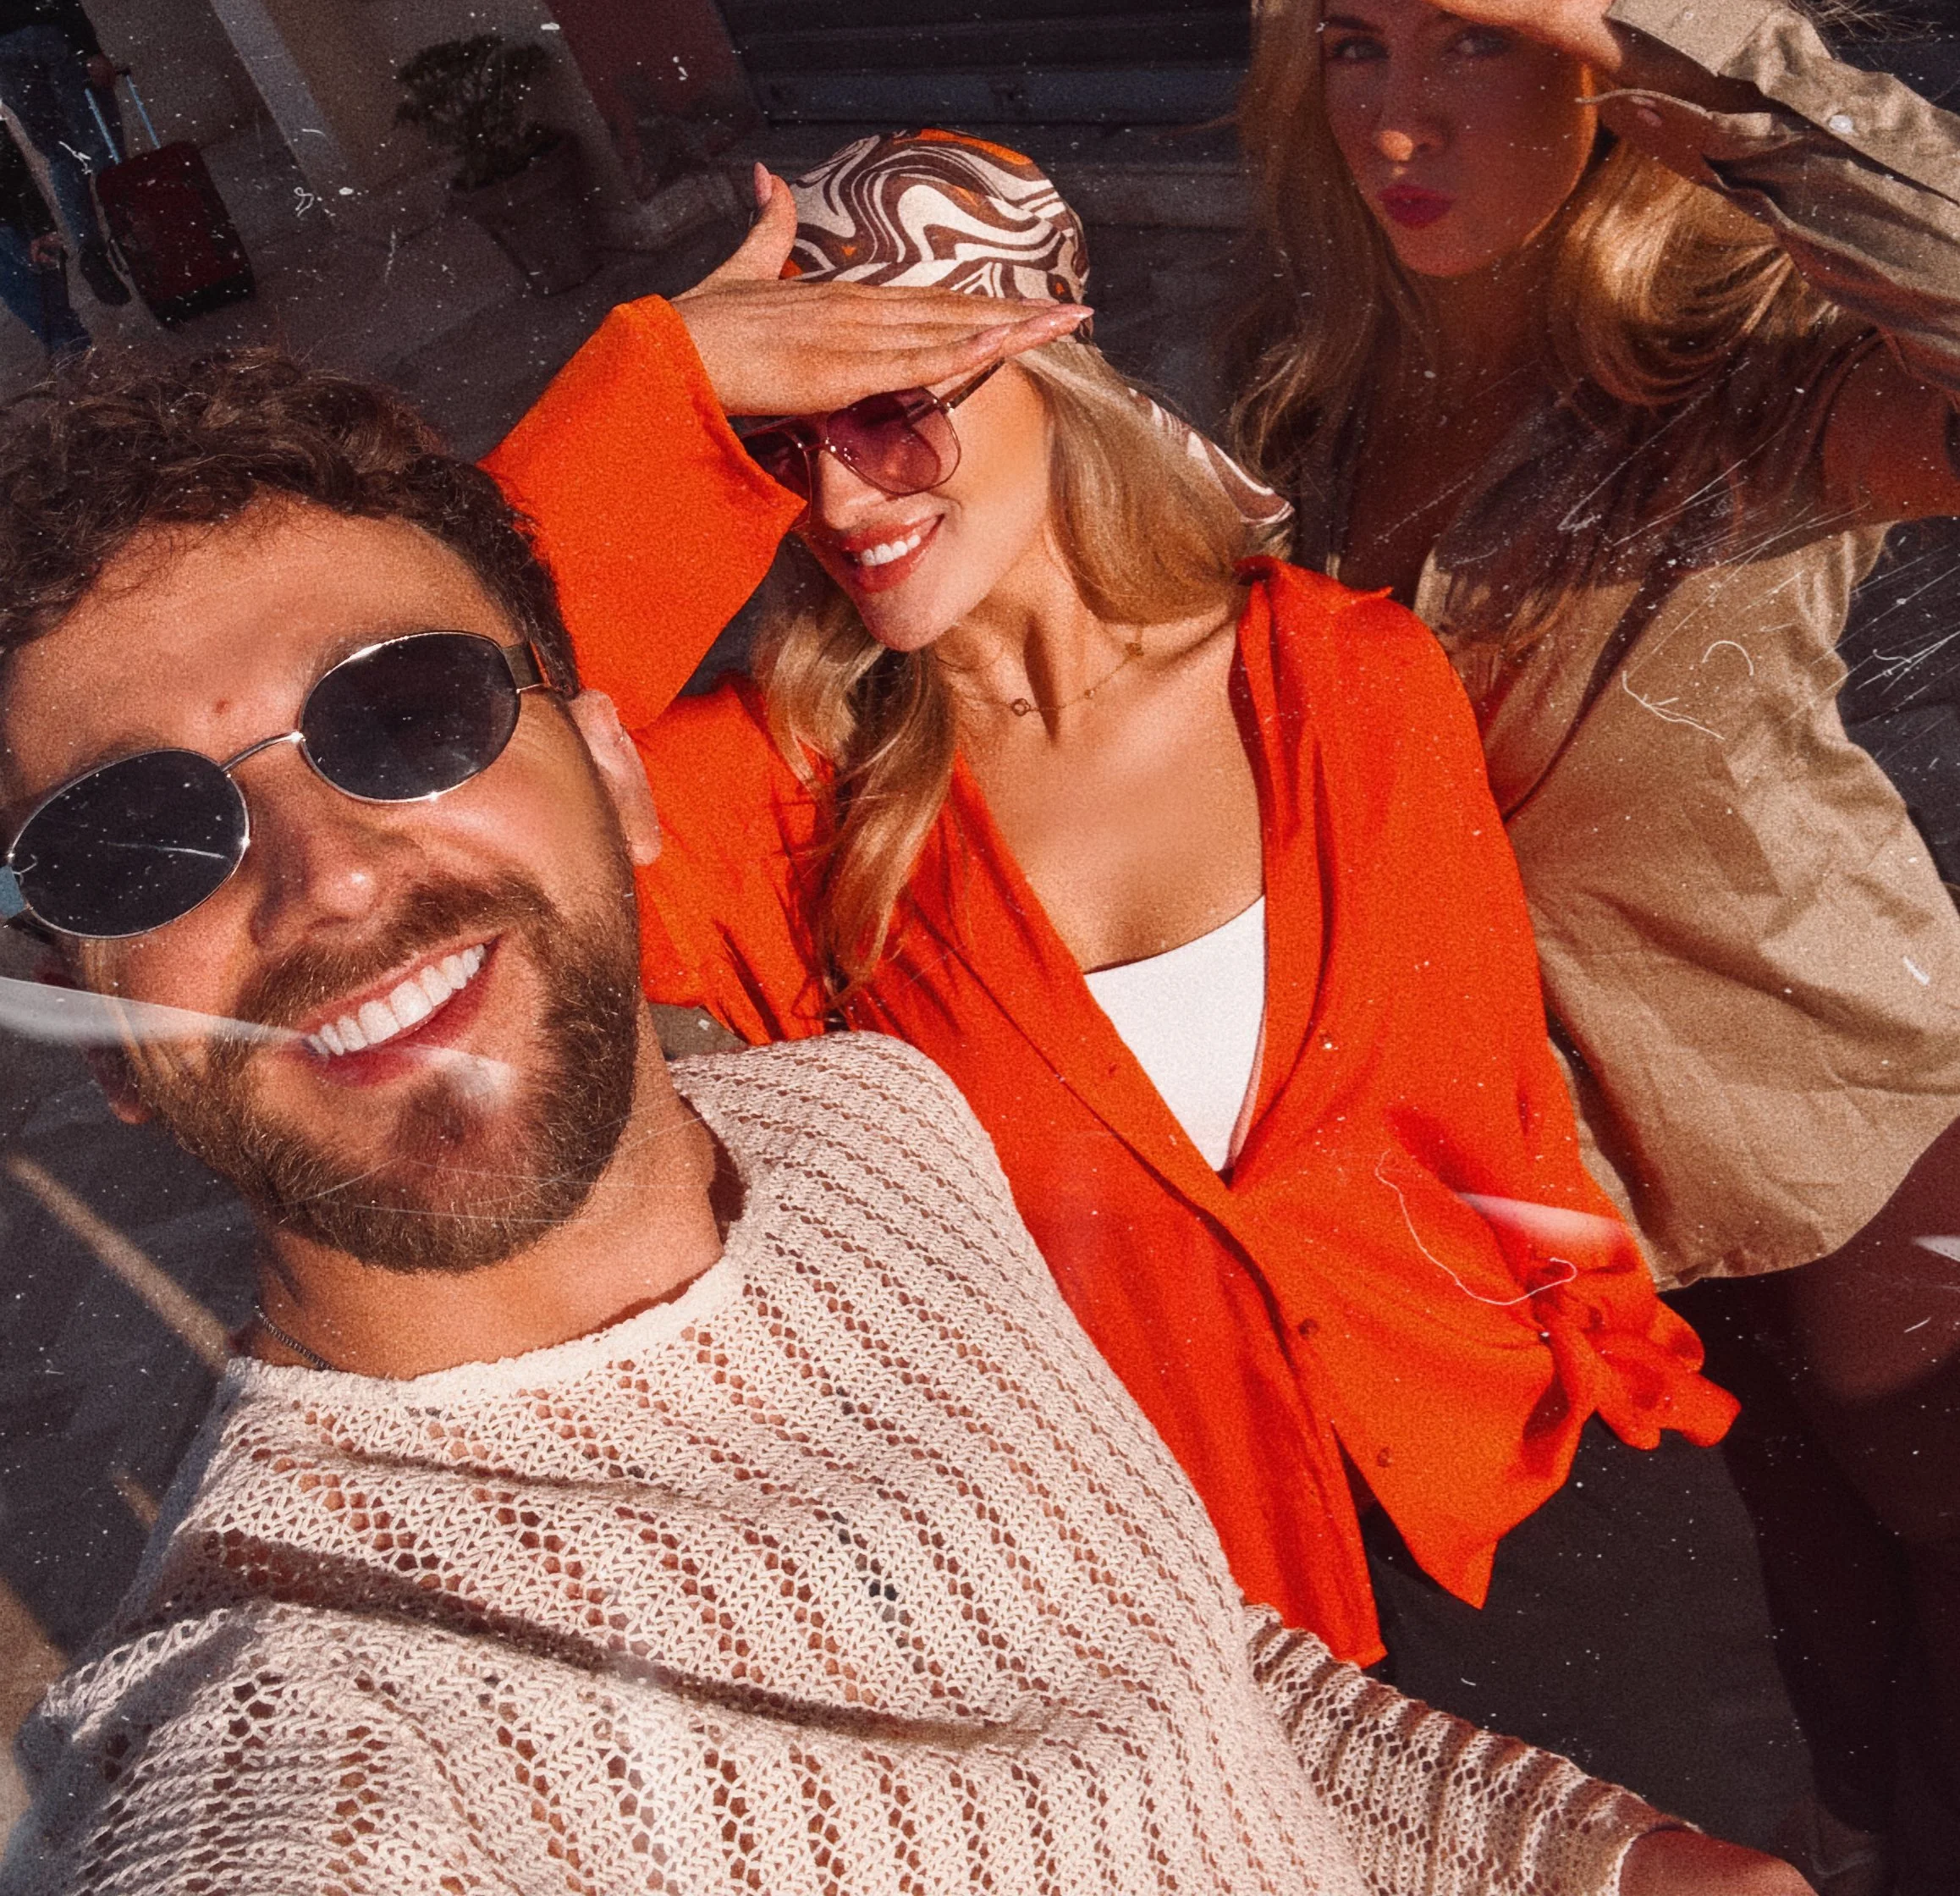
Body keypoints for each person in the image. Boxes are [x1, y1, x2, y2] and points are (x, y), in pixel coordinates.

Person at [0, 349, 1797, 1896]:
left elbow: (1167, 1670)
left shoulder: (870, 1125)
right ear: (99, 1032)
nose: (325, 873)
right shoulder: (315, 1728)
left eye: (404, 711)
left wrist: (1596, 1852)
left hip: (1519, 1468)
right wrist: (677, 382)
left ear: (608, 766)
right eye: (134, 839)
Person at [484, 131, 1807, 1851]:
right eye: (773, 448)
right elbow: (423, 767)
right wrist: (661, 390)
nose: (839, 500)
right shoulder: (781, 807)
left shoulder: (1348, 683)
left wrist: (1617, 1355)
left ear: (1046, 359)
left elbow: (1490, 1104)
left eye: (892, 412)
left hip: (1545, 1499)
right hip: (1186, 1632)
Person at [1225, 0, 1960, 1876]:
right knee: (1813, 1577)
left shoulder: (1740, 386)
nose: (1392, 119)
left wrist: (1688, 56)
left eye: (1482, 42)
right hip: (1581, 1181)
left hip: (1849, 1128)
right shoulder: (1309, 391)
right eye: (1355, 46)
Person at [0, 0, 131, 310]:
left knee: (60, 152)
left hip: (3, 51)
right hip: (47, 30)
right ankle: (137, 240)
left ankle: (91, 248)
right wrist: (89, 46)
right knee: (104, 143)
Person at [0, 119, 88, 355]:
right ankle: (83, 363)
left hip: (13, 221)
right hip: (13, 220)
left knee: (51, 318)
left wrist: (40, 226)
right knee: (52, 318)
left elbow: (14, 168)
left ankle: (82, 363)